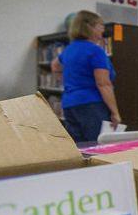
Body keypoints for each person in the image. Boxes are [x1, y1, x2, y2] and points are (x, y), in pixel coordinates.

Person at [51, 10, 121, 143]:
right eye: (100, 25)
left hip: (69, 104)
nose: (103, 29)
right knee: (98, 147)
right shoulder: (95, 51)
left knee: (80, 147)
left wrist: (65, 80)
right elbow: (103, 84)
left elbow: (55, 66)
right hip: (92, 105)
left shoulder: (69, 49)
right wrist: (115, 112)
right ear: (89, 27)